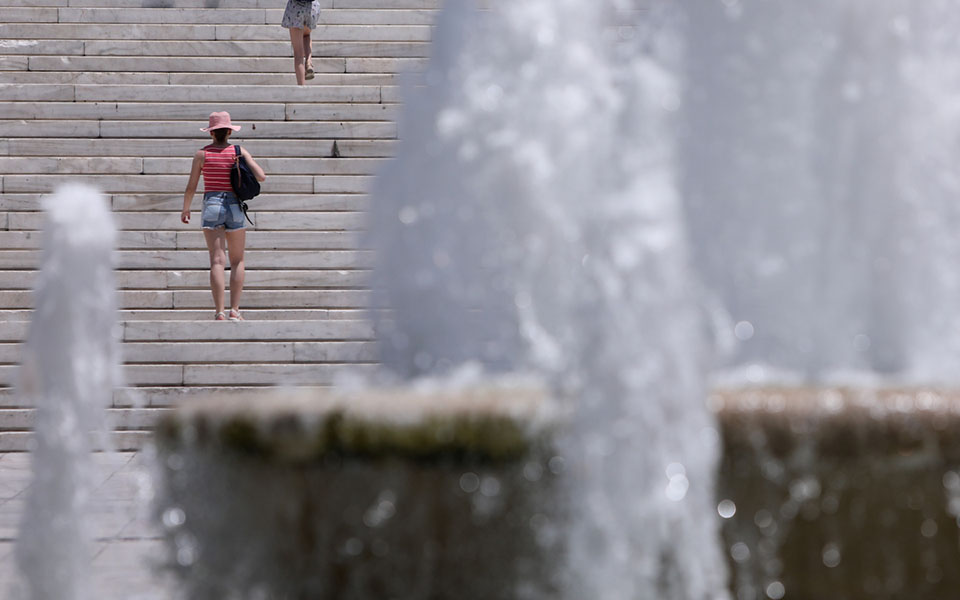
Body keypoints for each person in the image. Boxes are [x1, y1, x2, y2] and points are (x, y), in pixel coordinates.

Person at [181, 111, 266, 321]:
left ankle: (219, 311)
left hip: (211, 205)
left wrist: (186, 208)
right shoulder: (238, 151)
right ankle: (235, 310)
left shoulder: (202, 154)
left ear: (211, 133)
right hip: (234, 206)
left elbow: (191, 186)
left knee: (217, 261)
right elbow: (261, 176)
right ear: (229, 131)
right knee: (237, 260)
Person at [281, 0, 320, 85]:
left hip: (296, 7)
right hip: (312, 7)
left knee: (298, 55)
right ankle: (309, 62)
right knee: (306, 34)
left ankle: (302, 88)